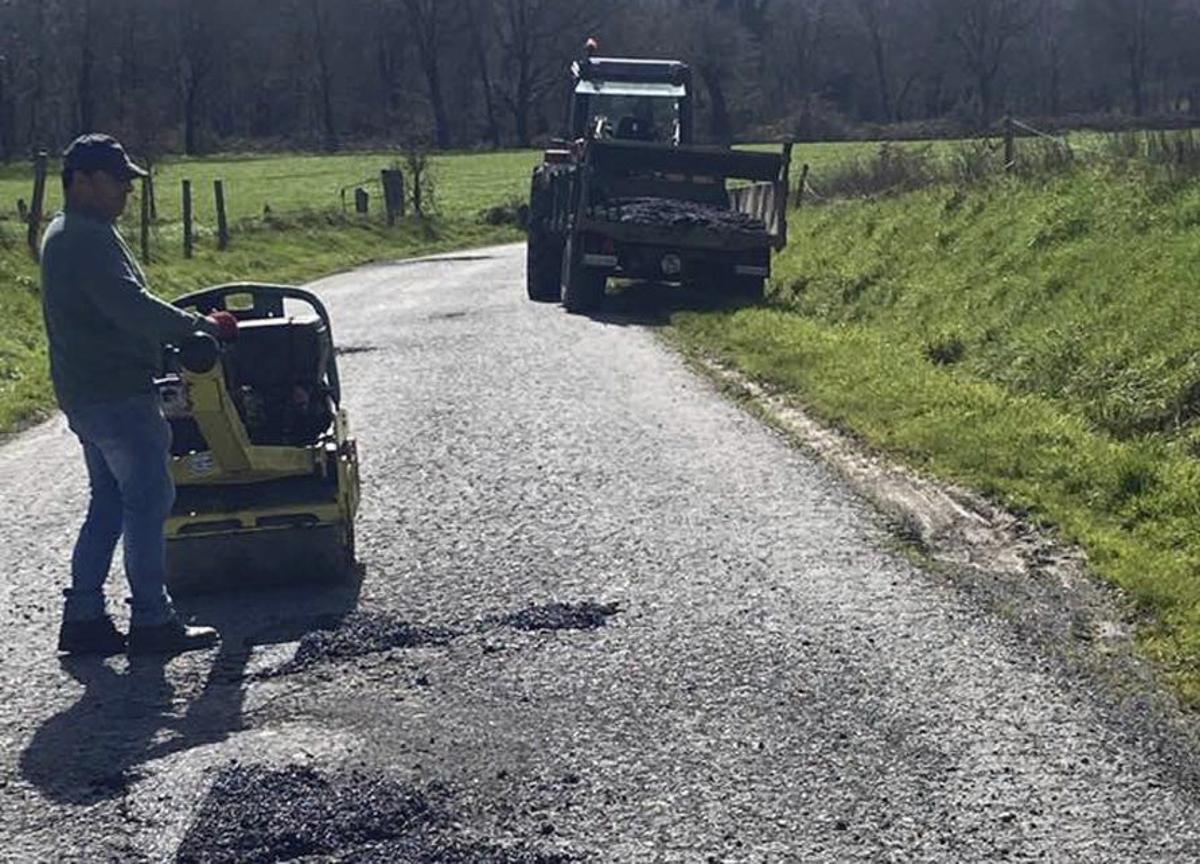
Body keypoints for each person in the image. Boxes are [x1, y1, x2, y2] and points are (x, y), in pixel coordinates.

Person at [41, 133, 238, 656]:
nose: (127, 191)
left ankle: (83, 616)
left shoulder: (68, 231)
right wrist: (201, 326)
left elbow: (123, 305)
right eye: (117, 180)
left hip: (85, 391)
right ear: (82, 180)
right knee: (150, 500)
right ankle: (153, 621)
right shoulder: (85, 238)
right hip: (116, 393)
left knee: (108, 501)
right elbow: (129, 305)